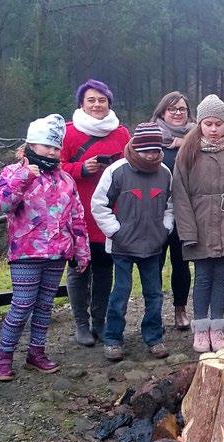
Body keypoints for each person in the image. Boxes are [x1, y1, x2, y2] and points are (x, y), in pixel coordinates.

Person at [0, 114, 90, 381]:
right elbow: (3, 204)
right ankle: (4, 356)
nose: (52, 151)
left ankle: (36, 353)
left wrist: (81, 250)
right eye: (47, 145)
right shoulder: (12, 172)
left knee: (45, 305)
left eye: (57, 147)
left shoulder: (66, 180)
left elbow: (76, 216)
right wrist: (24, 177)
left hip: (57, 252)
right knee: (22, 304)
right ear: (31, 144)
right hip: (25, 252)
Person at [172, 94, 224, 353]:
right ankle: (200, 328)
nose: (213, 129)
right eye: (208, 123)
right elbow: (180, 195)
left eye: (218, 124)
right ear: (200, 123)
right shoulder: (188, 151)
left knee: (221, 277)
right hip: (199, 224)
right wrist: (187, 232)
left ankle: (217, 327)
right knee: (202, 278)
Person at [92, 123, 174, 362]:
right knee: (120, 292)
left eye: (155, 150)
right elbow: (99, 205)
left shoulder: (165, 172)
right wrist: (115, 231)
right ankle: (113, 339)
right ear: (135, 147)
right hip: (122, 247)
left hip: (152, 246)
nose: (150, 155)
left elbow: (171, 204)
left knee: (154, 294)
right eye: (145, 150)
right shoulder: (117, 170)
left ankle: (154, 337)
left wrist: (165, 228)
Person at [60, 79, 131, 347]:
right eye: (91, 100)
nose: (97, 104)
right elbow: (54, 169)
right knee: (79, 271)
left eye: (102, 100)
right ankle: (81, 324)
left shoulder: (122, 133)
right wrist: (81, 168)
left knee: (104, 271)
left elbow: (131, 165)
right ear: (81, 104)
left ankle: (99, 321)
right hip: (78, 216)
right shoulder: (68, 133)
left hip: (109, 215)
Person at [150, 92, 196, 330]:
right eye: (172, 109)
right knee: (154, 264)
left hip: (186, 211)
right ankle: (153, 311)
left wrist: (186, 142)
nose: (177, 113)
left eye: (182, 109)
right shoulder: (150, 136)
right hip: (154, 212)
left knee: (181, 263)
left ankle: (180, 309)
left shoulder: (199, 137)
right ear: (162, 112)